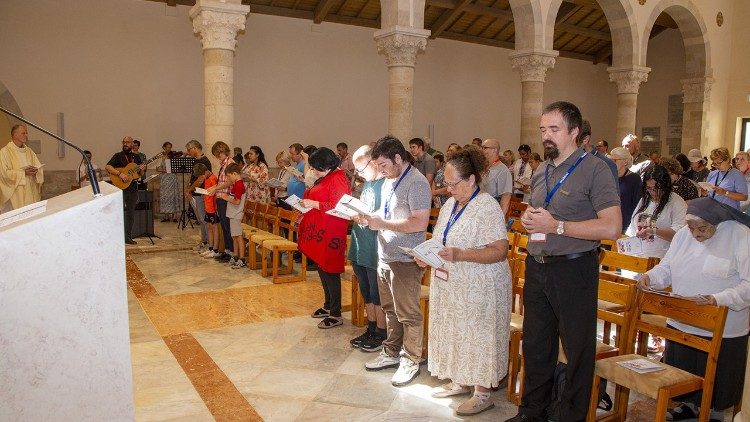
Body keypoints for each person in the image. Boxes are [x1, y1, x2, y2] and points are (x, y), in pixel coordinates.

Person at [508, 101, 621, 422]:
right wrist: (530, 218)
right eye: (543, 129)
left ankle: (570, 416)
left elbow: (612, 226)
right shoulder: (542, 169)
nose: (546, 136)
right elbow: (537, 212)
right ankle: (531, 413)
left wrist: (556, 226)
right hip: (539, 264)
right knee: (536, 344)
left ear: (575, 132)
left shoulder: (596, 169)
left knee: (577, 349)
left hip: (574, 268)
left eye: (554, 129)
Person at [637, 198, 750, 422]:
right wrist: (650, 277)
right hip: (683, 319)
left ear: (717, 222)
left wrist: (717, 299)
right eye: (692, 228)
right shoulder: (683, 236)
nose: (696, 234)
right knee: (684, 369)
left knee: (720, 377)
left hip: (723, 323)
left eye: (703, 228)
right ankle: (690, 406)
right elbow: (667, 267)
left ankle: (716, 413)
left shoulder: (739, 235)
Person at [421, 147, 512, 416]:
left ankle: (482, 393)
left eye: (452, 183)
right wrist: (427, 255)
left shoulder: (487, 207)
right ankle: (461, 379)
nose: (448, 189)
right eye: (446, 183)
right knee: (455, 329)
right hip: (453, 282)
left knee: (479, 335)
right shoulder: (451, 204)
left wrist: (461, 254)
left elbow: (499, 250)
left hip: (481, 284)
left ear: (471, 180)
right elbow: (442, 239)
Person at [358, 135, 431, 387]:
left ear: (398, 158)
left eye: (383, 165)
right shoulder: (390, 181)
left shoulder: (417, 183)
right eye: (377, 166)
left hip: (406, 258)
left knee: (408, 313)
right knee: (390, 310)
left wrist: (382, 223)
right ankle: (391, 352)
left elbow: (419, 222)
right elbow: (388, 213)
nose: (380, 170)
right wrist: (369, 217)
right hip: (385, 254)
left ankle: (411, 359)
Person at [297, 147, 351, 328]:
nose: (312, 171)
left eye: (315, 168)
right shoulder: (328, 176)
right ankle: (328, 306)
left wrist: (313, 203)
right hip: (322, 229)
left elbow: (339, 207)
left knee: (331, 270)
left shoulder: (339, 178)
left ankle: (336, 314)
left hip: (332, 231)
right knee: (322, 267)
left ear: (326, 165)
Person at [348, 144, 387, 351]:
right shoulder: (369, 184)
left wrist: (366, 216)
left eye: (360, 169)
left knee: (376, 291)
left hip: (374, 245)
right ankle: (371, 328)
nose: (357, 174)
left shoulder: (386, 183)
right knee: (366, 290)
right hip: (360, 241)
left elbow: (386, 215)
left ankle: (381, 332)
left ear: (373, 163)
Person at [625, 165, 687, 259]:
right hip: (639, 257)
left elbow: (680, 233)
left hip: (662, 259)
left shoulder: (676, 202)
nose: (653, 193)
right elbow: (633, 224)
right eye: (649, 188)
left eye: (657, 188)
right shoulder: (645, 200)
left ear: (665, 186)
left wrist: (653, 231)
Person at [105, 136, 145, 245]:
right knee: (118, 213)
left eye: (128, 142)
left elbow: (139, 175)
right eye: (124, 142)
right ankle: (116, 237)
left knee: (130, 214)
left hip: (132, 188)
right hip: (120, 189)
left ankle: (128, 237)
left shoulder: (136, 158)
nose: (125, 144)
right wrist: (119, 174)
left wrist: (142, 170)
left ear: (132, 144)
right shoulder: (118, 156)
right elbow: (108, 167)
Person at [0, 124, 44, 212]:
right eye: (23, 133)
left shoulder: (30, 152)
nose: (26, 135)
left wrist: (36, 171)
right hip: (15, 195)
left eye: (26, 133)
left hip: (30, 192)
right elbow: (3, 174)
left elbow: (38, 168)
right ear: (15, 135)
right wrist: (23, 173)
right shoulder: (4, 152)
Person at [205, 141, 235, 263]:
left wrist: (215, 188)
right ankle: (227, 251)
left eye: (218, 154)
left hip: (226, 198)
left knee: (227, 227)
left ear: (222, 151)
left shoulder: (230, 163)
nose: (217, 157)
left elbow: (230, 182)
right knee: (223, 226)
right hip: (221, 197)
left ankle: (232, 253)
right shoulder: (223, 163)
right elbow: (222, 181)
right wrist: (215, 189)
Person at [218, 163, 248, 268]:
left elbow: (237, 202)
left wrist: (225, 197)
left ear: (235, 174)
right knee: (234, 236)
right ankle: (235, 256)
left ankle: (242, 259)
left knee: (238, 237)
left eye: (229, 176)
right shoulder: (236, 184)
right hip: (232, 213)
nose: (229, 178)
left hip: (236, 213)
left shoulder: (239, 185)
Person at [185, 140, 212, 251]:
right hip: (195, 193)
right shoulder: (196, 161)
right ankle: (203, 241)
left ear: (195, 148)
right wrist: (189, 188)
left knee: (203, 219)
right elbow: (193, 178)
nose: (188, 152)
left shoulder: (204, 161)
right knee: (200, 219)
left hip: (200, 193)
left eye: (189, 149)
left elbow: (200, 180)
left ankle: (208, 243)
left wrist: (189, 191)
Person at [610, 147, 642, 234]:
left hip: (626, 225)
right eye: (610, 160)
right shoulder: (609, 177)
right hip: (610, 224)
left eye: (614, 160)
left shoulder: (634, 179)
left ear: (625, 161)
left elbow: (638, 204)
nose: (611, 163)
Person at [194, 163, 221, 258]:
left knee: (214, 228)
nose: (201, 177)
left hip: (213, 208)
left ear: (205, 171)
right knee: (209, 227)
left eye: (202, 175)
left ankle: (215, 249)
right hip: (208, 207)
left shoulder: (213, 178)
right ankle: (210, 248)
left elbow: (214, 193)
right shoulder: (207, 178)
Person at [480, 139, 513, 215]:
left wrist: (500, 219)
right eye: (481, 147)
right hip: (480, 209)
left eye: (484, 148)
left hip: (492, 211)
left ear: (494, 150)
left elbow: (506, 197)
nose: (481, 150)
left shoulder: (503, 170)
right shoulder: (483, 167)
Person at [157, 141, 181, 222]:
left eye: (170, 147)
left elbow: (176, 167)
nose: (169, 149)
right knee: (165, 197)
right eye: (167, 147)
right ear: (163, 147)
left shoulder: (173, 156)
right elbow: (158, 168)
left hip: (172, 178)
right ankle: (166, 216)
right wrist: (163, 169)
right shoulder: (160, 156)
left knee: (173, 196)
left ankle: (174, 216)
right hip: (164, 178)